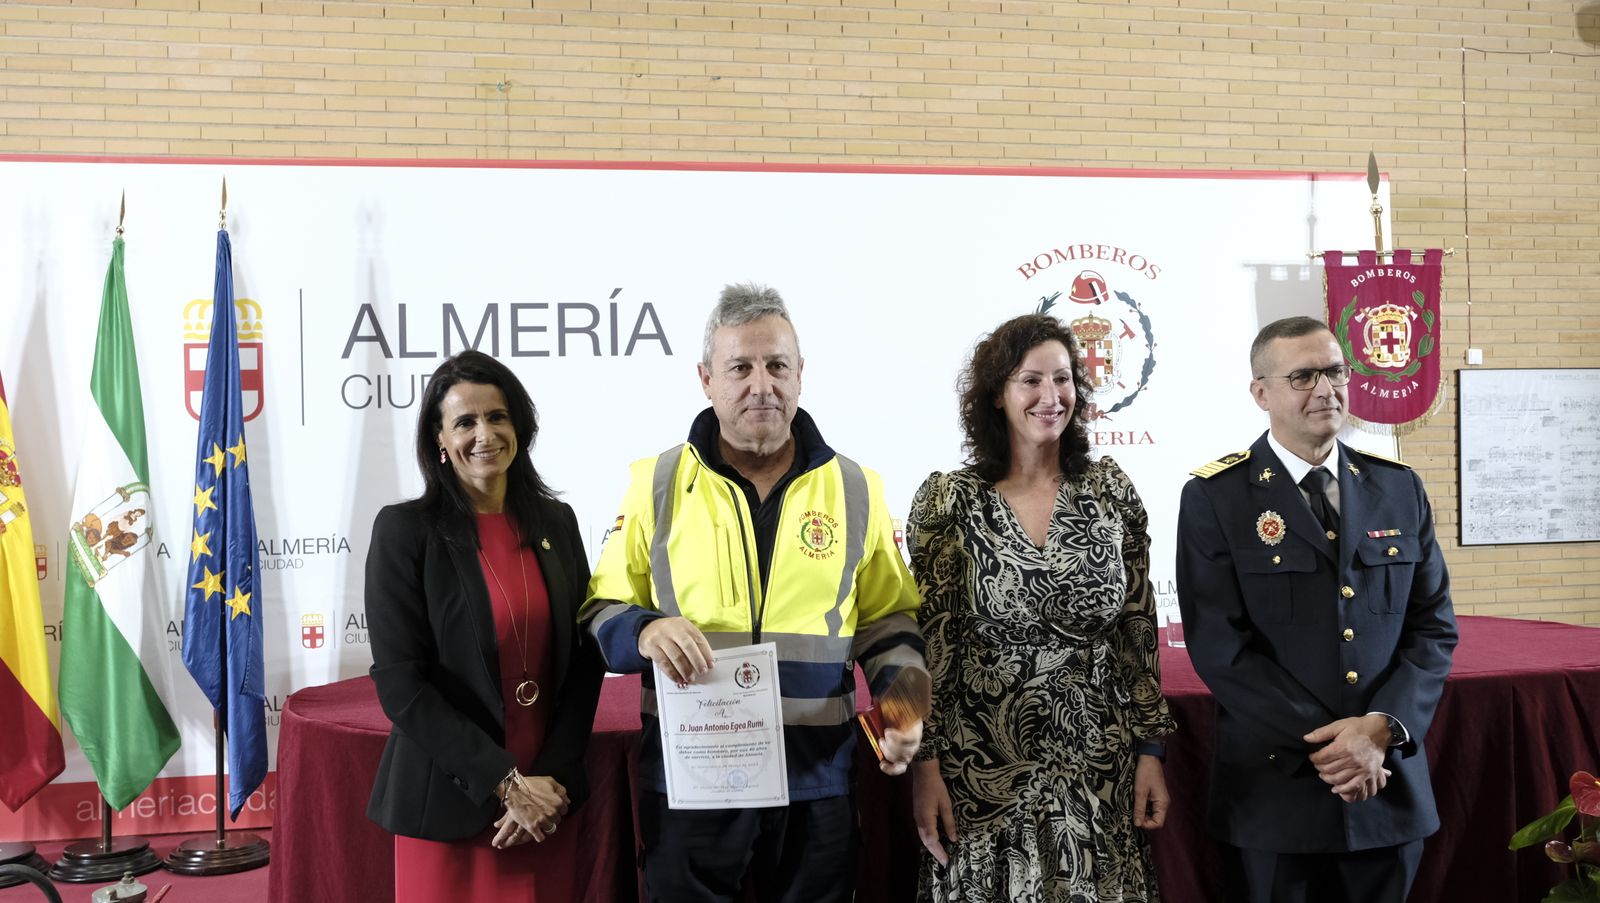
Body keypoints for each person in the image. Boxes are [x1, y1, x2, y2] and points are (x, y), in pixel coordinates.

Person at [581, 282, 927, 903]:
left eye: (777, 366)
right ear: (705, 379)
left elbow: (889, 621)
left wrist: (904, 709)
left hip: (818, 783)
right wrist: (645, 630)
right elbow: (600, 611)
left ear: (801, 377)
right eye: (739, 367)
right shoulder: (654, 484)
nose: (760, 384)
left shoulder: (856, 488)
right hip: (692, 785)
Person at [1175, 316, 1457, 903]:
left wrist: (1381, 731)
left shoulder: (1398, 488)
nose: (1325, 389)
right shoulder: (1216, 497)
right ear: (1261, 393)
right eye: (1302, 376)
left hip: (1386, 784)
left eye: (1334, 372)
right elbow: (1220, 647)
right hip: (1279, 793)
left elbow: (1432, 629)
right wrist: (1342, 749)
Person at [907, 313, 1176, 902]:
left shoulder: (1110, 493)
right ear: (997, 395)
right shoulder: (951, 502)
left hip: (1096, 767)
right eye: (1031, 380)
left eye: (1063, 379)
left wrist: (1151, 751)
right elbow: (927, 646)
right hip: (982, 770)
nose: (1050, 396)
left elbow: (1136, 631)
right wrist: (923, 767)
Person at [365, 350, 604, 902]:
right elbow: (402, 685)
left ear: (519, 426)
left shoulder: (556, 523)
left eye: (497, 416)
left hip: (546, 803)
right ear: (440, 441)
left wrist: (551, 783)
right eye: (465, 422)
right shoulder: (406, 532)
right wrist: (505, 783)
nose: (484, 434)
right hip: (453, 803)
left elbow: (584, 659)